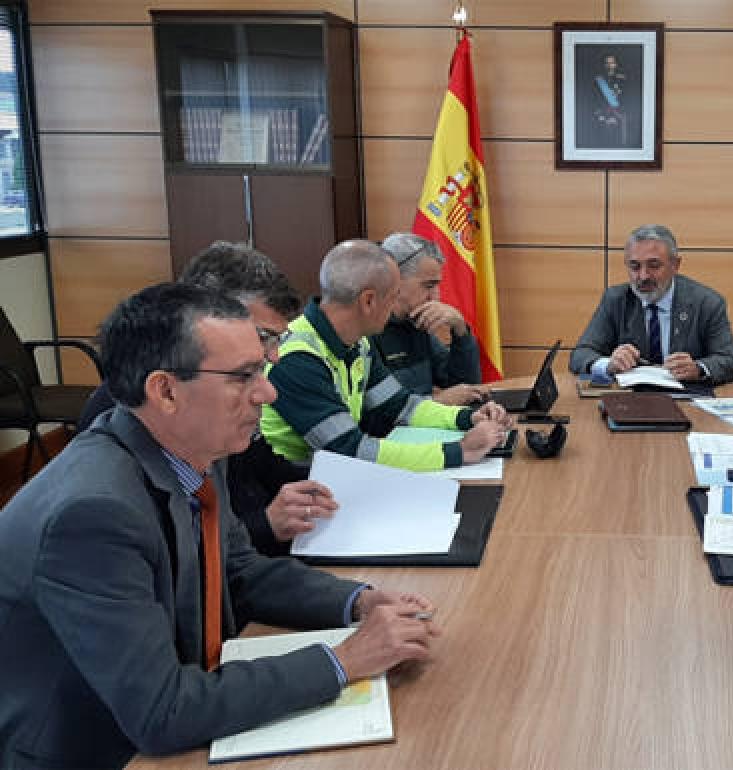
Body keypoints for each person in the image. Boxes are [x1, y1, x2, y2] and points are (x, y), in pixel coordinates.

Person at [0, 284, 442, 769]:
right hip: (92, 750)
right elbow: (163, 711)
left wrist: (357, 600)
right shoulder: (91, 515)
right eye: (243, 376)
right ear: (165, 391)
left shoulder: (195, 450)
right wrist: (344, 660)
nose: (267, 392)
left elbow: (239, 570)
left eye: (263, 369)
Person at [77, 241, 337, 557]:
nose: (275, 357)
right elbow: (181, 557)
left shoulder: (217, 406)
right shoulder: (137, 420)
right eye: (263, 337)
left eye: (279, 339)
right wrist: (266, 524)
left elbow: (264, 477)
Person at [261, 240, 511, 471]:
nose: (395, 308)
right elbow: (350, 451)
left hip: (331, 485)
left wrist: (467, 417)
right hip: (294, 491)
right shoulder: (296, 359)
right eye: (392, 297)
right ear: (368, 301)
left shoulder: (357, 343)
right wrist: (458, 452)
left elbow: (400, 406)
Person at [569, 224, 733, 387]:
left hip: (688, 401)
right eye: (635, 266)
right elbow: (580, 355)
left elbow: (731, 362)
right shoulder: (616, 299)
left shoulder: (706, 302)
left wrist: (698, 369)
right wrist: (608, 364)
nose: (643, 276)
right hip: (630, 401)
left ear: (675, 265)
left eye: (653, 265)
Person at [370, 232, 487, 405]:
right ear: (394, 279)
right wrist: (437, 401)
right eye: (429, 286)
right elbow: (381, 412)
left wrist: (460, 330)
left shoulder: (416, 323)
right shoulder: (366, 331)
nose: (436, 297)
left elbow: (464, 386)